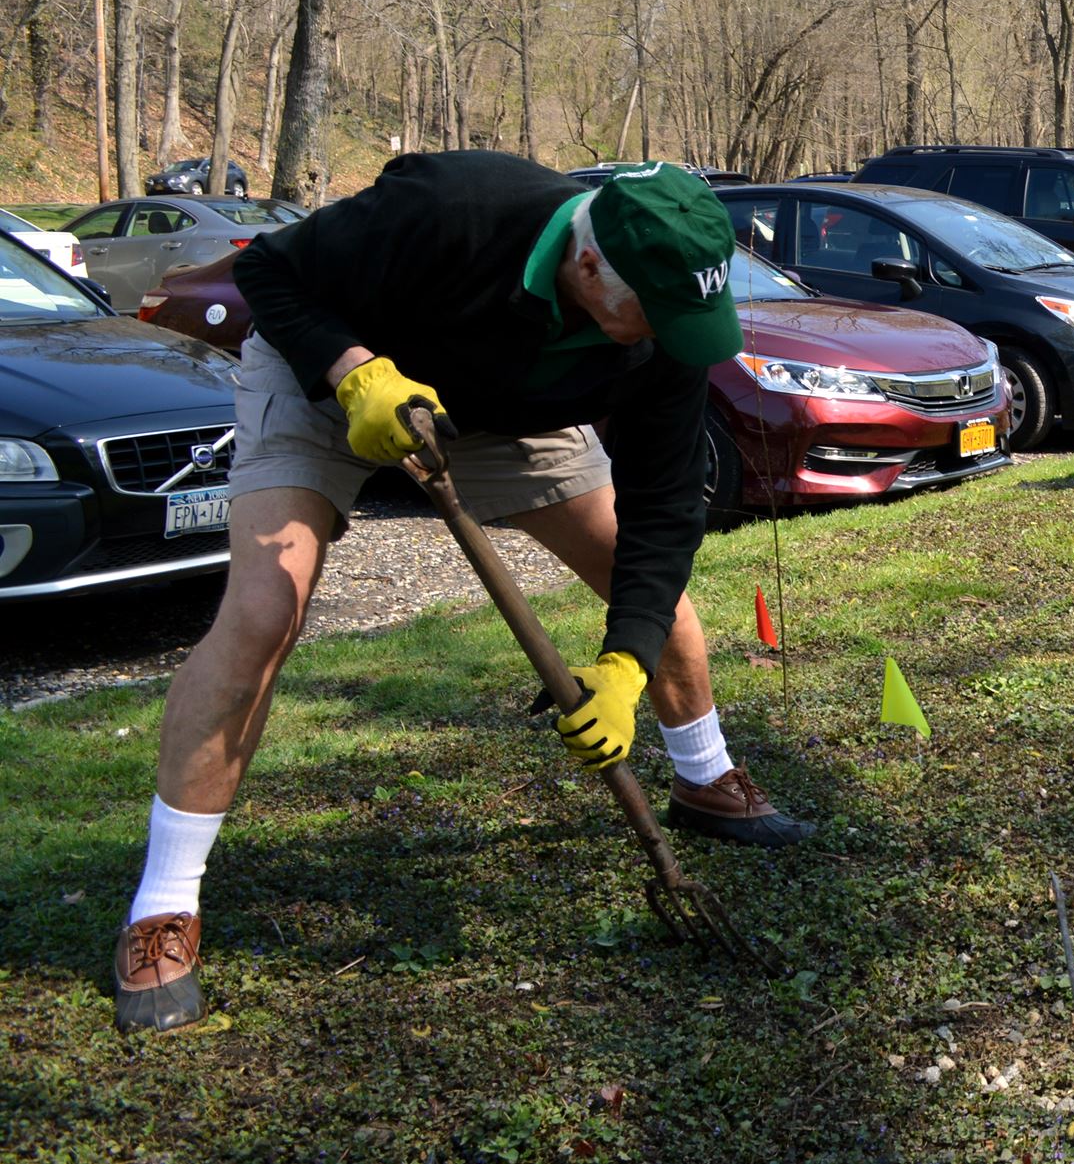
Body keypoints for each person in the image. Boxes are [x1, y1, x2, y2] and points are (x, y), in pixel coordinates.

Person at [110, 155, 813, 1036]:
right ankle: (163, 906)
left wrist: (624, 666)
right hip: (330, 379)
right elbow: (270, 273)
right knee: (263, 613)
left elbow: (664, 513)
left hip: (509, 410)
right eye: (657, 315)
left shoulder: (663, 328)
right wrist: (356, 372)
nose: (675, 335)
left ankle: (705, 778)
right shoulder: (456, 208)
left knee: (650, 595)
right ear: (589, 266)